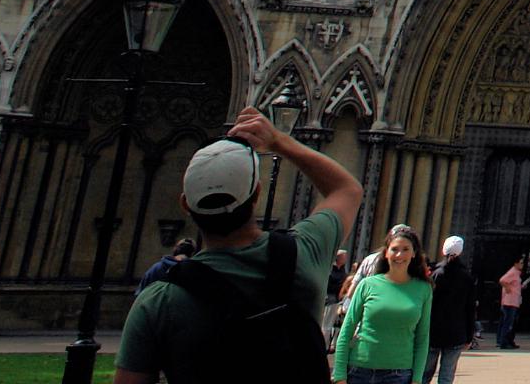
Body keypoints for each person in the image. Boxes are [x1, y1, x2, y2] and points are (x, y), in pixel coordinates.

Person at [114, 105, 362, 384]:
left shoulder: (157, 302)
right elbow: (347, 189)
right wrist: (280, 141)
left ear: (185, 204)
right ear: (256, 193)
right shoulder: (302, 256)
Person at [334, 223, 435, 384]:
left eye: (406, 249)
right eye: (394, 249)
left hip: (398, 374)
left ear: (414, 253)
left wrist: (417, 379)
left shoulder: (423, 289)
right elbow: (347, 330)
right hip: (359, 370)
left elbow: (422, 338)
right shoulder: (367, 285)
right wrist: (339, 375)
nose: (399, 254)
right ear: (386, 253)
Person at [424, 235, 475, 383]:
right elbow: (470, 309)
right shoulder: (466, 277)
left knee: (424, 374)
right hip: (456, 332)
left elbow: (427, 303)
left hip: (432, 331)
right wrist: (469, 335)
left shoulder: (435, 274)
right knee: (446, 375)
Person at [498, 258, 524, 350]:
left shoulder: (517, 273)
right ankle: (503, 342)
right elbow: (502, 280)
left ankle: (509, 340)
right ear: (516, 263)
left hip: (514, 301)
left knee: (512, 323)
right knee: (508, 323)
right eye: (520, 263)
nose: (522, 265)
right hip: (509, 302)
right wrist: (507, 287)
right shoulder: (512, 272)